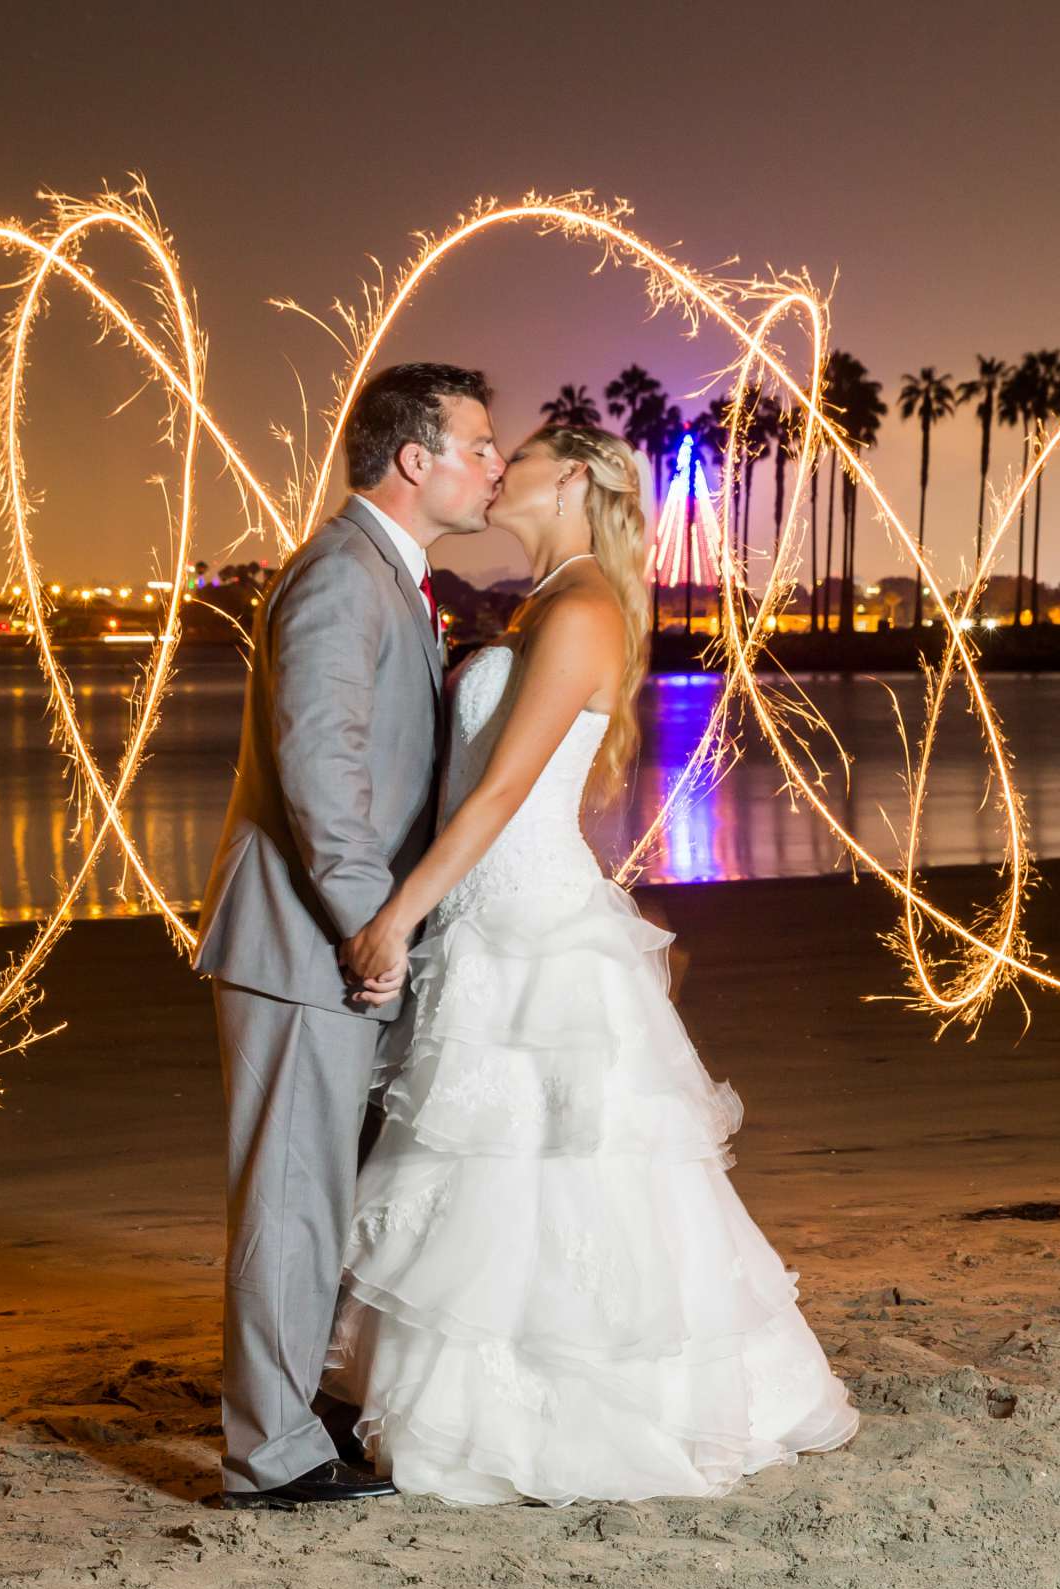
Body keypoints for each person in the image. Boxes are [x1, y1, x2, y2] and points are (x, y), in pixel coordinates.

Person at [325, 422, 859, 1505]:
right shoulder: (543, 604)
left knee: (550, 1165)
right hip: (496, 916)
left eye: (507, 453)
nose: (491, 467)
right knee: (495, 1166)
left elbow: (505, 793)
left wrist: (397, 915)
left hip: (528, 927)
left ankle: (568, 1413)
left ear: (570, 477)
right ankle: (461, 1392)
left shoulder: (577, 611)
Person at [192, 362, 503, 1509]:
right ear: (414, 459)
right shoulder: (339, 576)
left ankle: (293, 1405)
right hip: (303, 942)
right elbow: (324, 773)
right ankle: (268, 1457)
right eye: (479, 443)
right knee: (288, 1194)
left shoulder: (394, 579)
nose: (495, 463)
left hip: (341, 937)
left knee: (323, 1188)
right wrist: (373, 929)